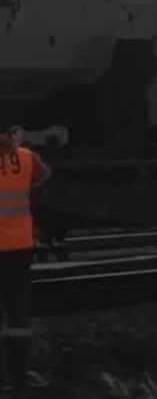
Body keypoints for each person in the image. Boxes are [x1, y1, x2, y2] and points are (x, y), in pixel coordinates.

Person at [0, 128, 50, 391]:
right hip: (20, 246)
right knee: (18, 314)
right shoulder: (27, 156)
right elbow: (42, 175)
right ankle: (19, 376)